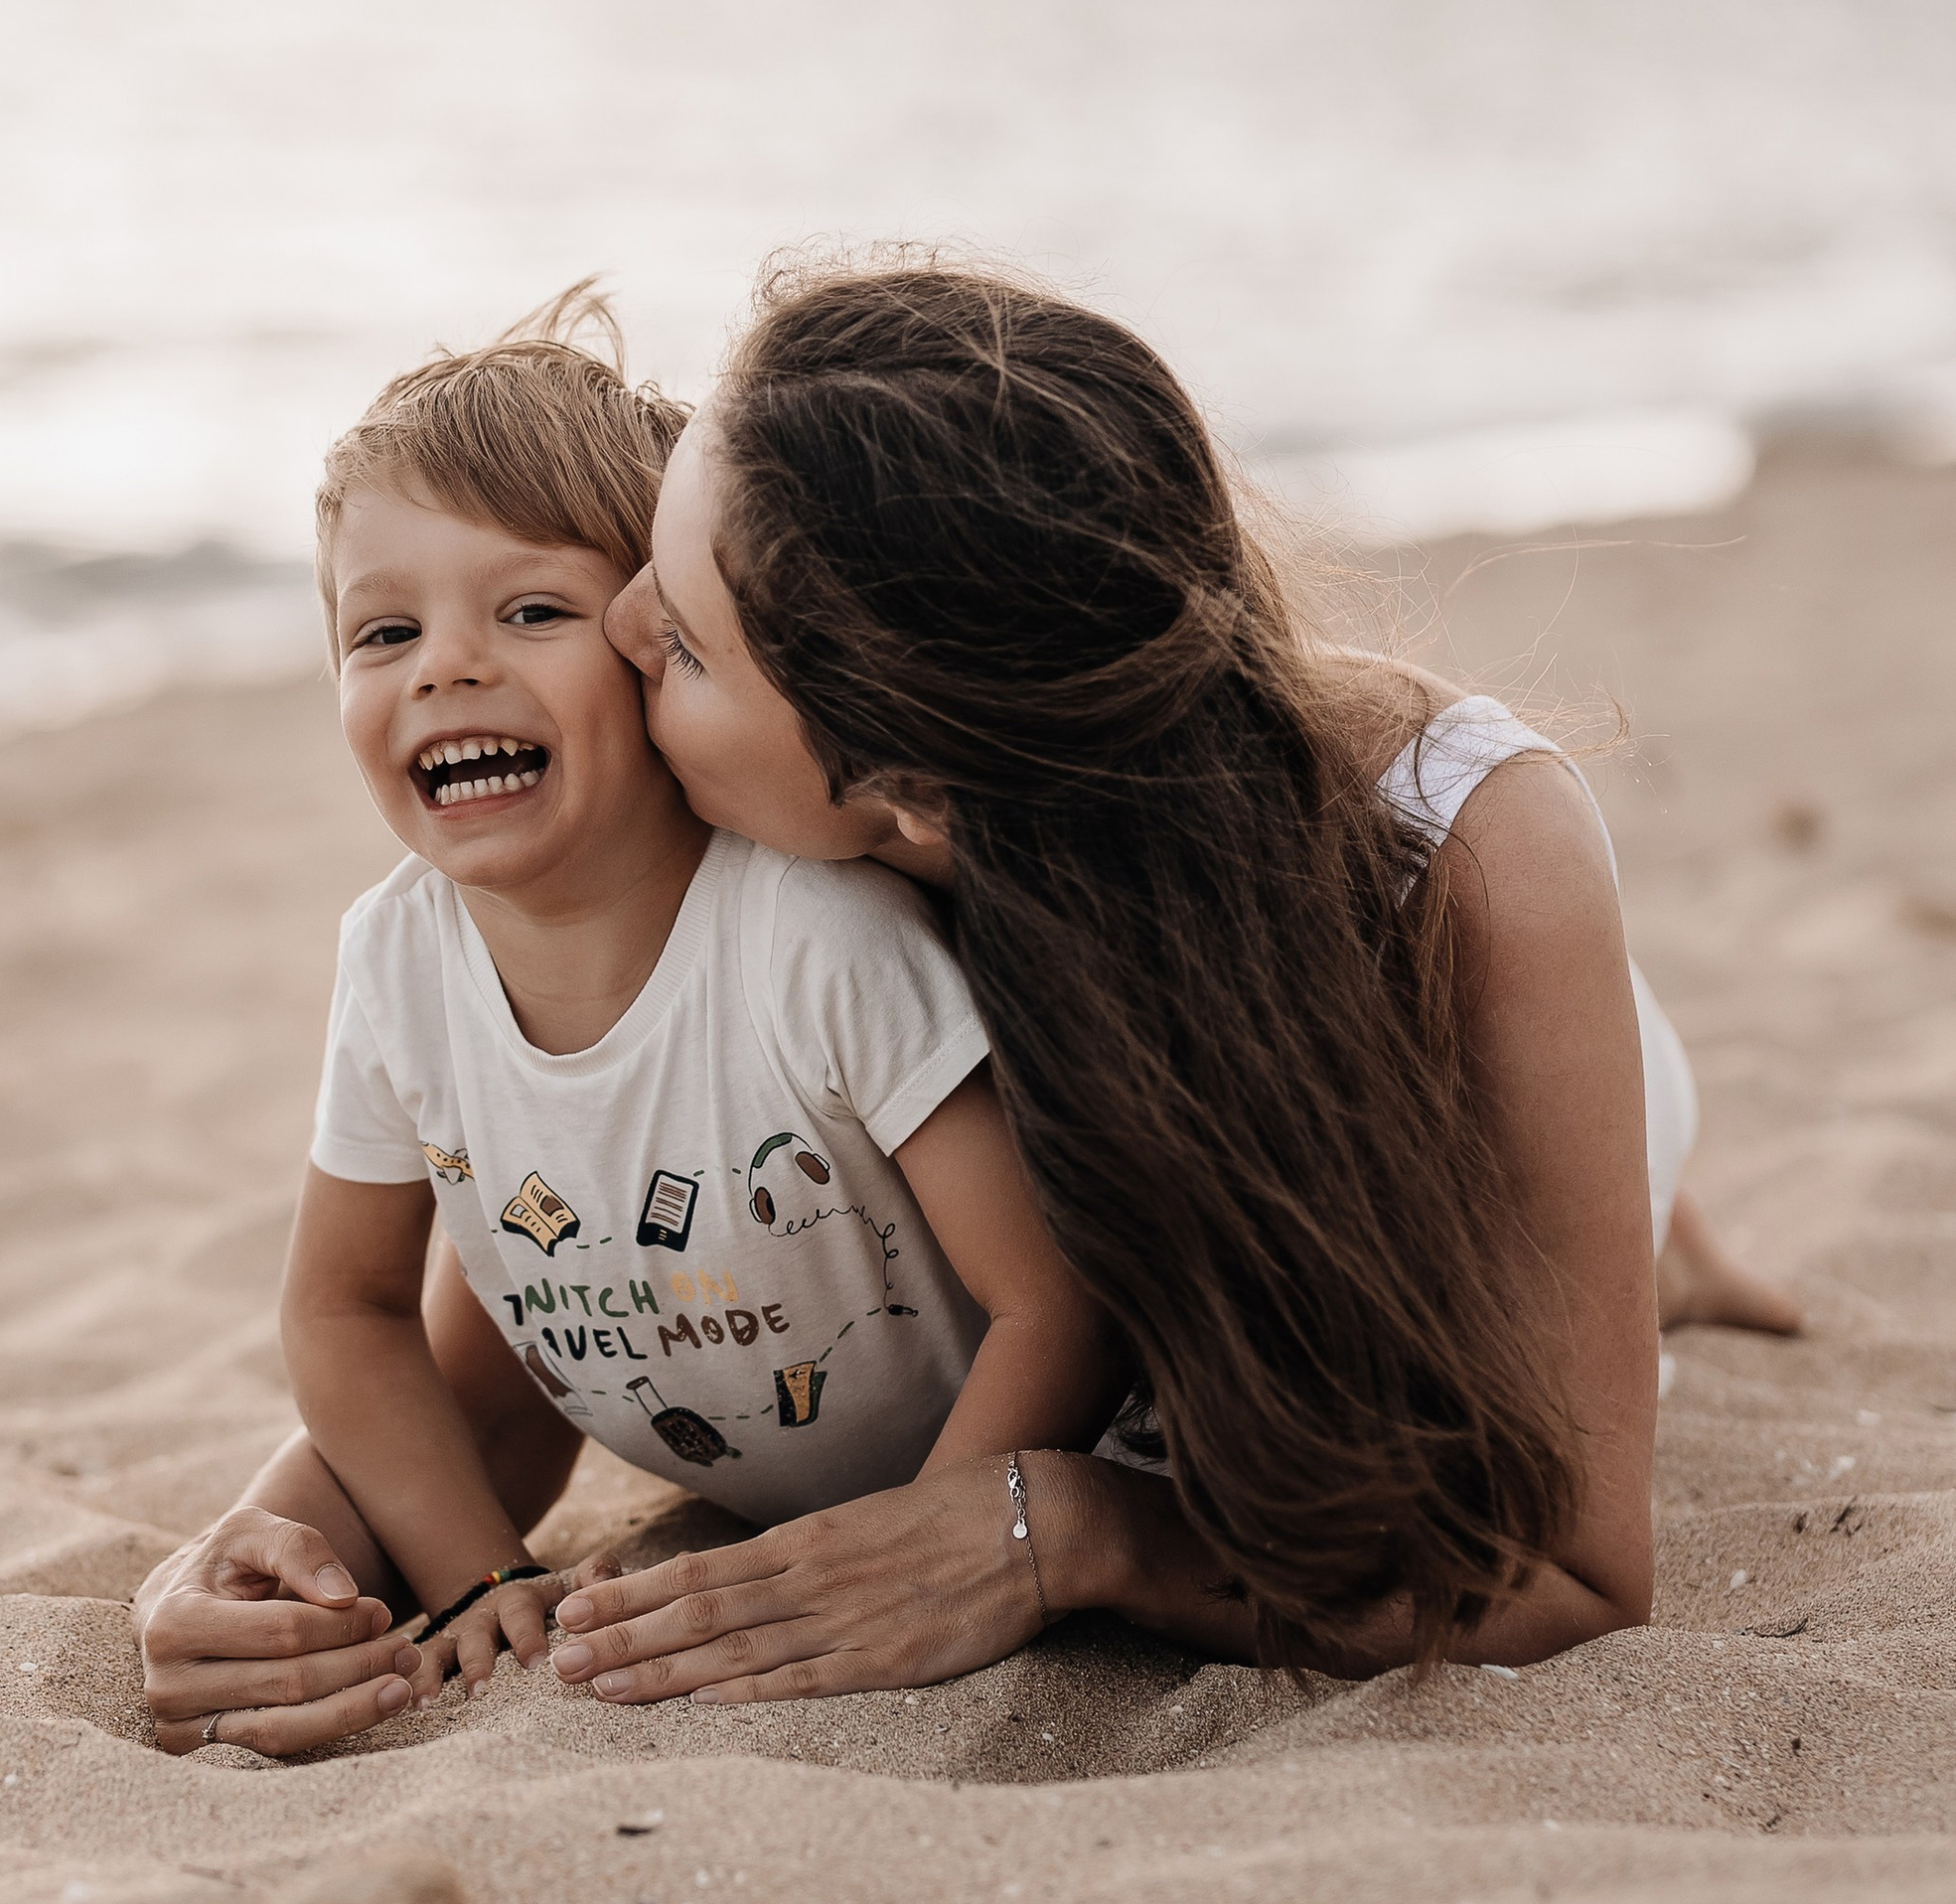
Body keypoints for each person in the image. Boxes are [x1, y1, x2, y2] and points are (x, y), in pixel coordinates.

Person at [537, 256, 1799, 1712]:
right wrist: (284, 1524)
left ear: (913, 793)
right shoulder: (749, 834)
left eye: (686, 641)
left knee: (1590, 1234)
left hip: (1469, 1078)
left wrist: (1073, 1527)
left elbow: (1578, 1572)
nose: (618, 623)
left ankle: (1668, 1247)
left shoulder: (1473, 851)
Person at [134, 292, 1112, 1759]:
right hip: (747, 1486)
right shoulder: (399, 959)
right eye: (382, 630)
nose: (444, 667)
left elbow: (1058, 1299)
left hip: (1017, 1480)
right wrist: (480, 1570)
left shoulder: (808, 934)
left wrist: (923, 1550)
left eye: (530, 609)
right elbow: (346, 1311)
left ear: (659, 651)